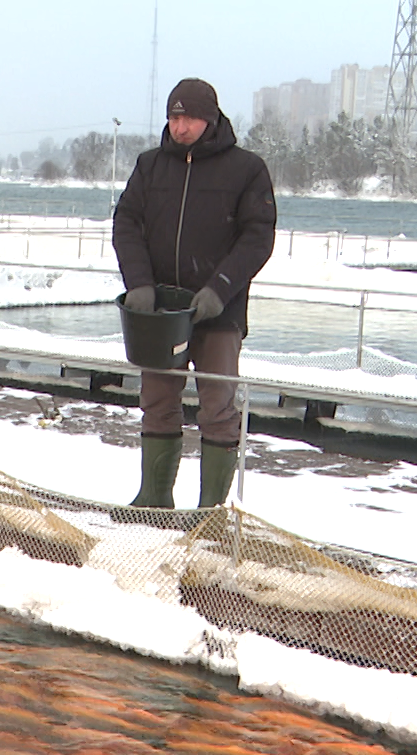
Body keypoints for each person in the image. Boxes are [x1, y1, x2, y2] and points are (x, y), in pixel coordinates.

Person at [112, 77, 277, 508]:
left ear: (210, 119)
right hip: (160, 314)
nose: (180, 126)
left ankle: (210, 512)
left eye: (188, 117)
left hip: (217, 313)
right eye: (173, 116)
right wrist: (140, 284)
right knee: (157, 401)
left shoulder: (246, 169)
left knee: (217, 409)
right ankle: (153, 498)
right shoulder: (150, 166)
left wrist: (219, 288)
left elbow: (257, 238)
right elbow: (126, 224)